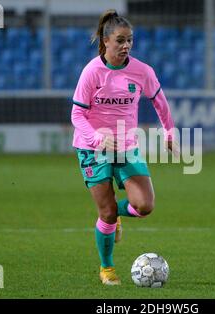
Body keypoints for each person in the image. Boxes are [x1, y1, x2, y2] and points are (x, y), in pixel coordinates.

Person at [71, 9, 178, 285]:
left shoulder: (142, 71)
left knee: (144, 205)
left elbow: (160, 101)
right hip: (92, 148)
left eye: (129, 40)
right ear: (105, 42)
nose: (126, 45)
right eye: (120, 40)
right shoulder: (92, 72)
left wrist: (169, 131)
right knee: (105, 212)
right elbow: (77, 115)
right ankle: (107, 268)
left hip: (126, 147)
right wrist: (97, 138)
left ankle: (118, 215)